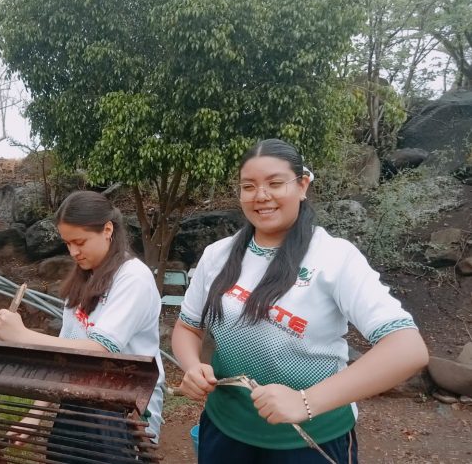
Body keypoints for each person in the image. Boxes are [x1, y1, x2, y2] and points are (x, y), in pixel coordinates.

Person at [172, 139, 429, 463]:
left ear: (302, 185)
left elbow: (408, 348)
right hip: (225, 432)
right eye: (248, 186)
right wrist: (192, 367)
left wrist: (306, 401)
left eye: (275, 183)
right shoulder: (218, 255)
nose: (261, 196)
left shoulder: (334, 258)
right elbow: (187, 328)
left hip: (311, 441)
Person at [0, 190, 165, 461]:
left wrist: (24, 336)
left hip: (123, 414)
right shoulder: (84, 278)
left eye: (80, 242)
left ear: (107, 229)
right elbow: (65, 359)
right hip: (78, 401)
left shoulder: (132, 278)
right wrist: (35, 415)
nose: (73, 252)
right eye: (67, 243)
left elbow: (99, 350)